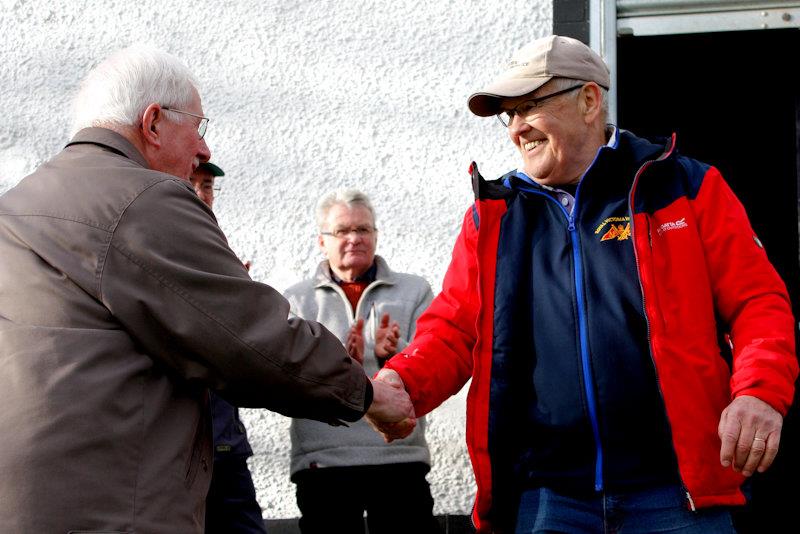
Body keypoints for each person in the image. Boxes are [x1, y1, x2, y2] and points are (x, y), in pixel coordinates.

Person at [367, 35, 798, 533]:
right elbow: (456, 328)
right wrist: (404, 380)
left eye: (529, 106)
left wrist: (759, 393)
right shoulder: (494, 216)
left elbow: (758, 303)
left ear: (590, 100)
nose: (517, 128)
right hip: (548, 498)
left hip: (675, 495)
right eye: (509, 114)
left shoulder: (685, 188)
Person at [0, 45, 413, 533]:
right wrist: (368, 395)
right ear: (153, 123)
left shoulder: (16, 206)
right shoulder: (145, 199)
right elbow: (249, 337)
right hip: (115, 508)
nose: (204, 151)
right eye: (198, 126)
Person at [283, 188, 440, 534]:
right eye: (342, 231)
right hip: (324, 461)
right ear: (321, 241)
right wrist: (338, 365)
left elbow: (434, 360)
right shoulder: (295, 300)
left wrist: (397, 354)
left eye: (363, 229)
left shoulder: (414, 291)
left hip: (398, 456)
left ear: (376, 236)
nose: (354, 238)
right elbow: (285, 379)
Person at [189, 161, 266, 534]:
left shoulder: (221, 255)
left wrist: (245, 308)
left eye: (208, 186)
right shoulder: (149, 247)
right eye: (193, 183)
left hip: (225, 447)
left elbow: (246, 360)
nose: (202, 195)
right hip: (173, 456)